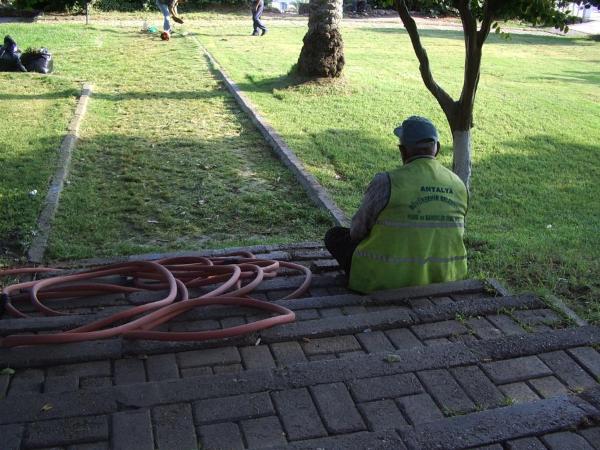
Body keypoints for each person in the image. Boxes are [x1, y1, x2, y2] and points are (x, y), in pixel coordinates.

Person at [324, 116, 469, 294]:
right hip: (448, 278)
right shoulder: (458, 184)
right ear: (437, 149)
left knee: (334, 236)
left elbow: (356, 232)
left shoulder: (387, 181)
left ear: (403, 151)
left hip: (383, 280)